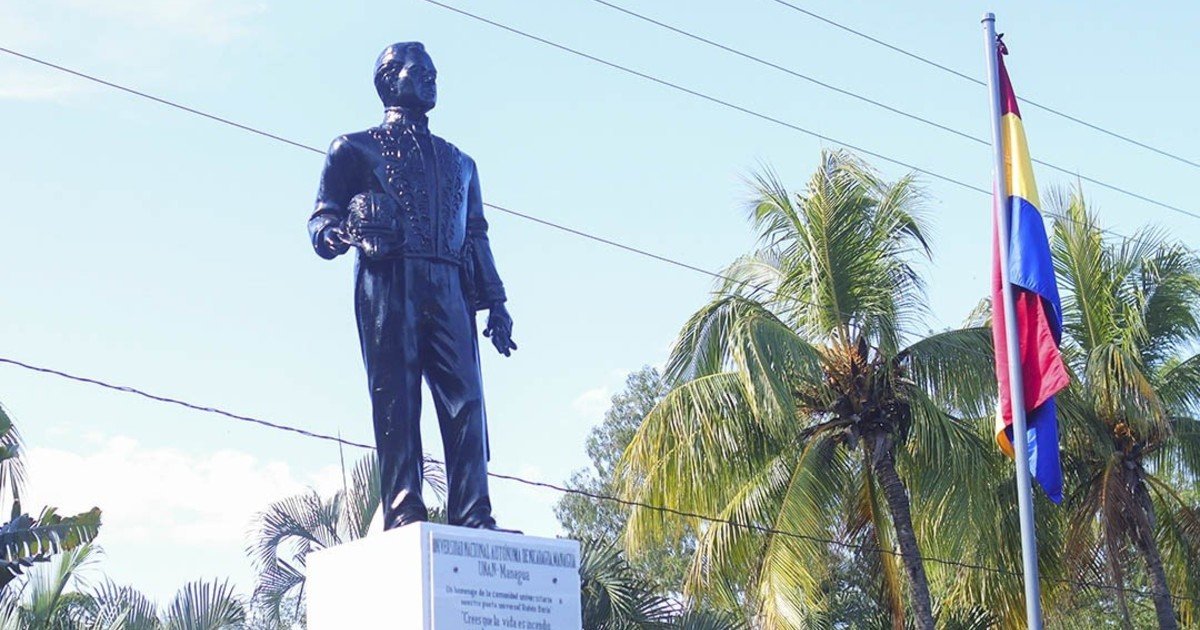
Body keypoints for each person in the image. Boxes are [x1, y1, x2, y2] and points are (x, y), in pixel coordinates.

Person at [308, 42, 516, 531]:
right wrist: (333, 233)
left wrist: (497, 303)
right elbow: (322, 214)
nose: (431, 78)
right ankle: (404, 507)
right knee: (396, 394)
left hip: (449, 282)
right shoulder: (353, 148)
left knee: (466, 399)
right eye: (419, 70)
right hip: (388, 279)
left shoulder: (461, 162)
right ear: (389, 80)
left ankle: (474, 512)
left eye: (435, 72)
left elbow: (478, 233)